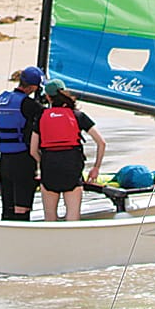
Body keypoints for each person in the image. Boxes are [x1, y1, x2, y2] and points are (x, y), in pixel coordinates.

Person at [30, 85, 105, 221]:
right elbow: (101, 142)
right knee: (73, 216)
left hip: (49, 168)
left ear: (47, 97)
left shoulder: (41, 117)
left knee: (50, 218)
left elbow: (33, 150)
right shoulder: (78, 116)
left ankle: (52, 241)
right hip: (71, 168)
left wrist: (44, 162)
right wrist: (96, 168)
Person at [0, 65, 46, 221]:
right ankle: (23, 240)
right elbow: (42, 120)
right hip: (22, 159)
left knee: (7, 208)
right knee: (22, 208)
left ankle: (5, 240)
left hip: (4, 159)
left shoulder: (0, 99)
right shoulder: (29, 105)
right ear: (34, 87)